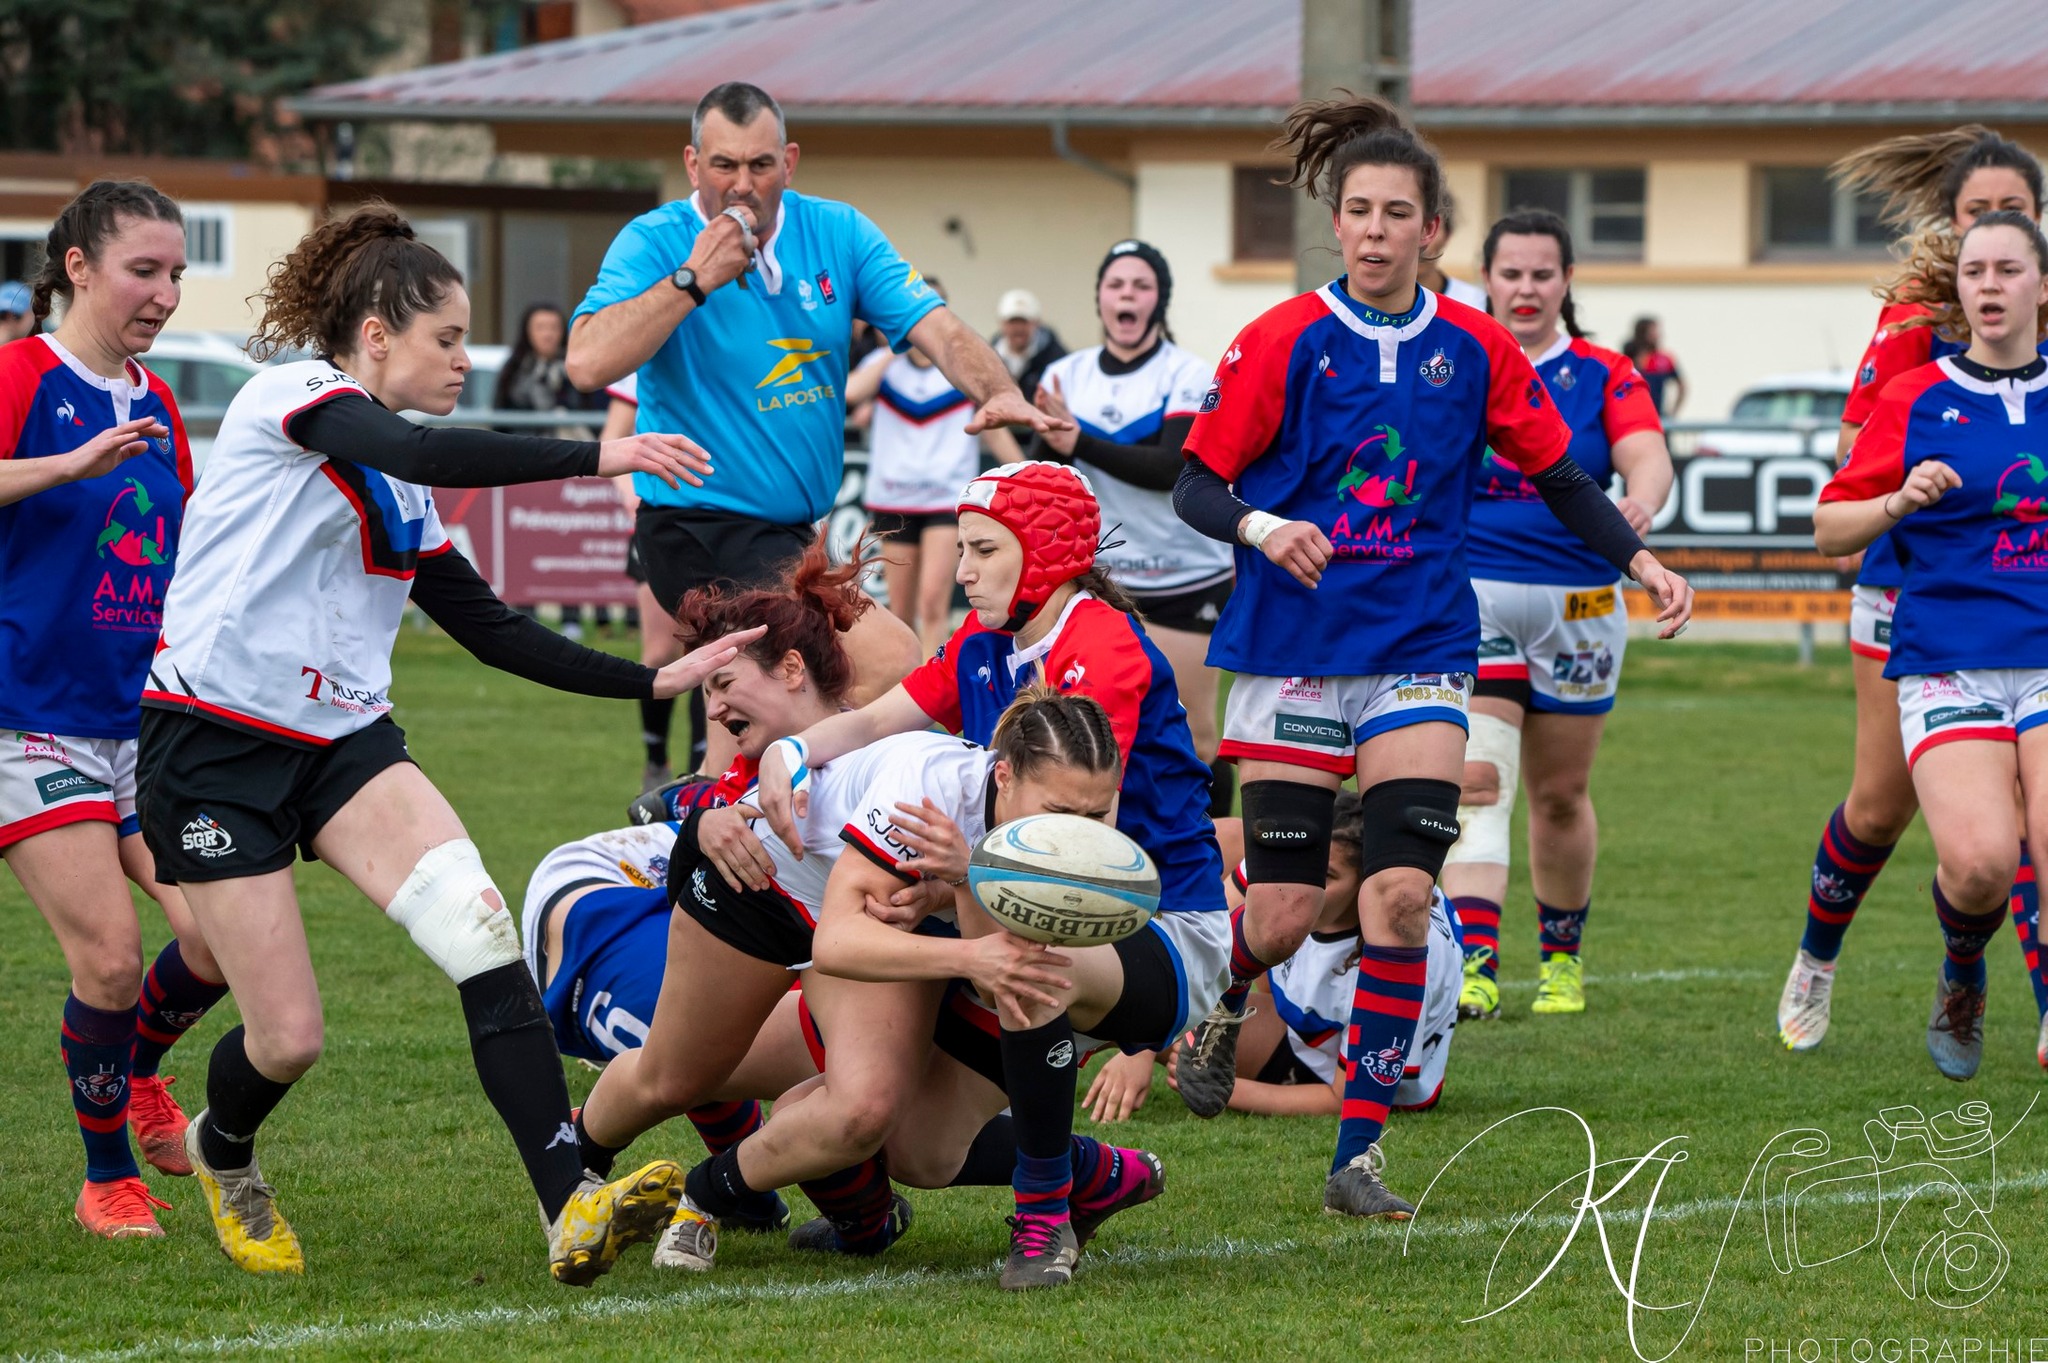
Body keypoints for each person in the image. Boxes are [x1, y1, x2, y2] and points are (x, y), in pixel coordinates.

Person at [134, 202, 758, 1283]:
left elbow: (490, 626)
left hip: (343, 745)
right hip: (212, 746)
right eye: (448, 338)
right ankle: (220, 1144)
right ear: (376, 332)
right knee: (287, 1039)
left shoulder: (404, 485)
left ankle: (567, 1200)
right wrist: (601, 454)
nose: (468, 358)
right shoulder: (295, 399)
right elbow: (410, 440)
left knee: (481, 931)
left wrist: (653, 677)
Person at [1168, 93, 1692, 1218]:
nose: (1369, 230)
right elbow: (1196, 483)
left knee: (1401, 896)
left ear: (1430, 231)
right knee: (1276, 915)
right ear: (1335, 223)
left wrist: (1639, 562)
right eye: (1353, 210)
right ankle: (1225, 1002)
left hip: (1417, 644)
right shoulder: (1279, 340)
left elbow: (1559, 475)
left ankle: (1356, 1155)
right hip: (1296, 649)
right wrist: (1265, 528)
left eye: (1392, 213)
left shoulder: (1477, 348)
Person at [740, 461, 1230, 1285]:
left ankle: (1043, 1218)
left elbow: (1073, 852)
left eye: (982, 549)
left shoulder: (1100, 646)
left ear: (1043, 552)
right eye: (962, 548)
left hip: (1160, 926)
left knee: (1028, 936)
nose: (962, 569)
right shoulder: (985, 643)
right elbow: (872, 719)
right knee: (923, 1148)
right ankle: (1093, 1172)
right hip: (1018, 899)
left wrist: (962, 875)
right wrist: (786, 753)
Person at [565, 80, 1054, 781]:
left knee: (755, 716)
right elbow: (585, 362)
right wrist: (692, 279)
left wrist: (1001, 389)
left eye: (760, 165)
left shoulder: (838, 234)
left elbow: (936, 328)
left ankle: (706, 828)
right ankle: (804, 826)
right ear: (692, 164)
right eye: (724, 165)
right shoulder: (655, 241)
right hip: (697, 524)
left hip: (790, 532)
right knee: (890, 661)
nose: (743, 185)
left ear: (789, 162)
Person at [1779, 127, 2048, 1057]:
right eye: (1977, 221)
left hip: (2033, 630)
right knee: (1898, 815)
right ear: (1953, 229)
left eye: (2013, 226)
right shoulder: (1910, 332)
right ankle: (1822, 954)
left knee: (2032, 833)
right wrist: (1901, 497)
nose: (1992, 247)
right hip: (1918, 602)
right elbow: (1846, 490)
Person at [0, 181, 230, 1240]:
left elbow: (175, 562)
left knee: (225, 942)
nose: (166, 293)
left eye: (177, 273)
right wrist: (63, 464)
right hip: (29, 721)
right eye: (145, 270)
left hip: (142, 726)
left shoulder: (162, 401)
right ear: (78, 266)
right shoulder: (19, 375)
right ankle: (105, 1177)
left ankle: (134, 1075)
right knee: (107, 957)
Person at [1442, 208, 1674, 1022]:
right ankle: (1473, 962)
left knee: (1562, 795)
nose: (1527, 288)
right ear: (1488, 279)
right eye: (1511, 273)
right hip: (1476, 595)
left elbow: (1646, 451)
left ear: (1567, 281)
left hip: (1581, 605)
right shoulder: (1456, 360)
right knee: (1481, 778)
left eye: (1544, 273)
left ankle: (1561, 962)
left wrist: (1641, 501)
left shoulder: (1603, 371)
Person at [1085, 793, 1462, 1123]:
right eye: (1306, 868)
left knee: (1141, 1009)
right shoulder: (1292, 868)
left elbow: (1342, 1097)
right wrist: (1139, 1046)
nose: (1303, 886)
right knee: (1226, 839)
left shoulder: (1395, 959)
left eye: (1327, 877)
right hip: (1291, 1013)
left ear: (1367, 886)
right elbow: (1197, 951)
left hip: (1331, 1068)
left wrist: (1233, 1091)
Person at [1030, 240, 1238, 813]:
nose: (1127, 295)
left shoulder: (1187, 373)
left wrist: (1080, 440)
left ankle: (1211, 872)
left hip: (1183, 578)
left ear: (1159, 299)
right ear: (1100, 297)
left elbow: (1172, 468)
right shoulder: (1064, 374)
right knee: (1086, 736)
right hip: (1098, 582)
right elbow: (1041, 471)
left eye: (1141, 286)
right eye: (1116, 284)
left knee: (1196, 737)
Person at [847, 277, 1023, 654]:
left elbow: (994, 431)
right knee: (900, 613)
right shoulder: (885, 363)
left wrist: (1033, 474)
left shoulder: (960, 368)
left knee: (932, 604)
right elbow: (848, 394)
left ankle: (929, 703)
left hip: (946, 500)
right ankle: (903, 694)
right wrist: (891, 347)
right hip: (894, 500)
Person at [603, 372, 687, 789]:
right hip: (659, 523)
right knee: (659, 653)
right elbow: (612, 439)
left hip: (726, 520)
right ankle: (656, 760)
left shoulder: (731, 345)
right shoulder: (643, 362)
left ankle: (703, 774)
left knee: (721, 653)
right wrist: (631, 496)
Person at [993, 288, 1066, 413]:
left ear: (1037, 323)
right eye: (1013, 322)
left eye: (1024, 322)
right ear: (1002, 323)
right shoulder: (988, 359)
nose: (1018, 328)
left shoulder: (1058, 361)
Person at [1415, 193, 1489, 311]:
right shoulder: (1375, 306)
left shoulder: (1475, 304)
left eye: (1431, 228)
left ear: (1448, 235)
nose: (1421, 241)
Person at [1621, 316, 1685, 417]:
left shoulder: (1663, 359)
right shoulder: (1628, 357)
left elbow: (1682, 386)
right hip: (1631, 414)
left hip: (1656, 415)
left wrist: (1673, 413)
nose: (1657, 335)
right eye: (1652, 331)